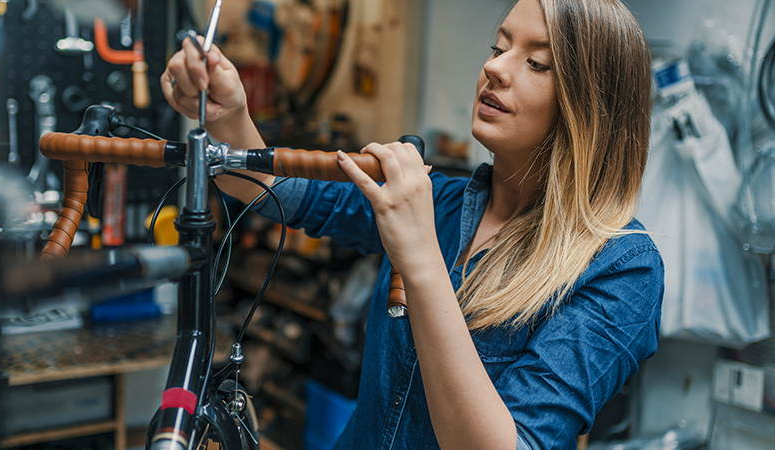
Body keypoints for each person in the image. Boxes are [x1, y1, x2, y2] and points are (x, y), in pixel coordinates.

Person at [161, 0, 663, 448]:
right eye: (498, 46)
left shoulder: (622, 267)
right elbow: (279, 191)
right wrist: (231, 115)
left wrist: (420, 258)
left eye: (536, 63)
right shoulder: (441, 203)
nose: (493, 67)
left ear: (592, 108)